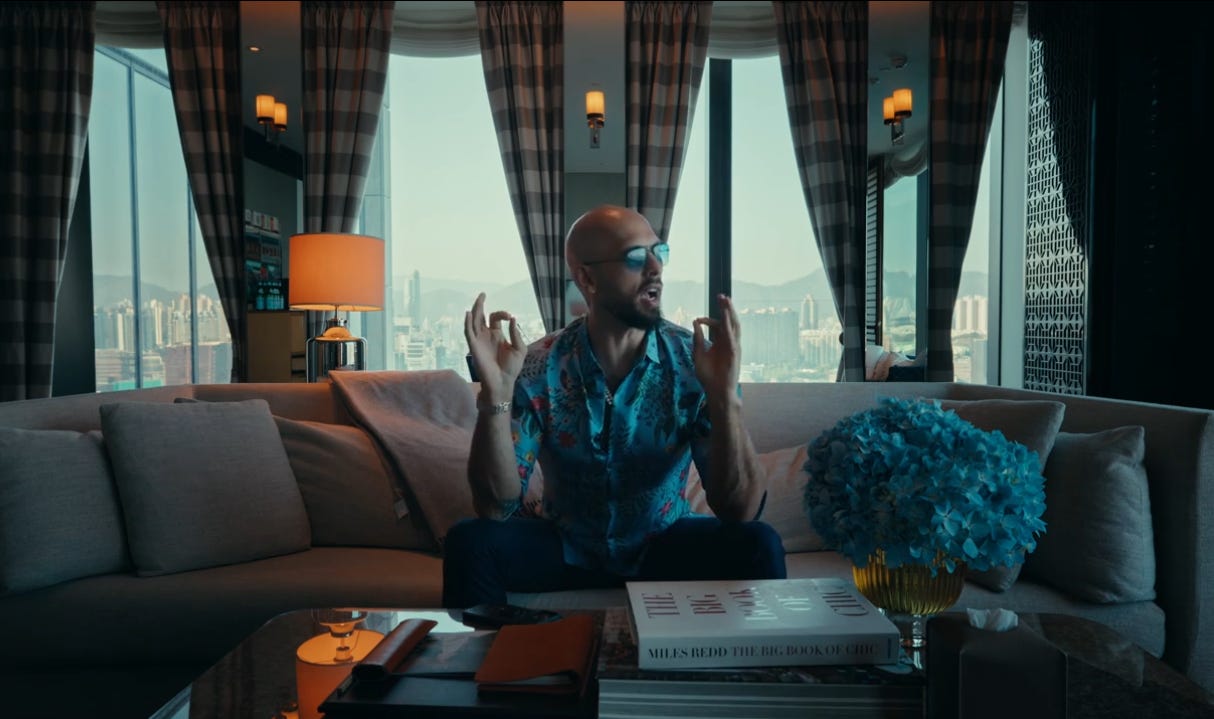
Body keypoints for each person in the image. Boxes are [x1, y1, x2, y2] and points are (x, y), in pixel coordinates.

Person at [442, 205, 787, 608]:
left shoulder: (696, 362)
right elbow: (494, 507)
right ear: (587, 279)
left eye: (659, 252)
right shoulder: (538, 367)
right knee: (470, 541)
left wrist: (724, 397)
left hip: (664, 544)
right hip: (566, 546)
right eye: (636, 257)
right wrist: (496, 395)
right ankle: (497, 650)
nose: (656, 269)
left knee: (759, 543)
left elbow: (741, 510)